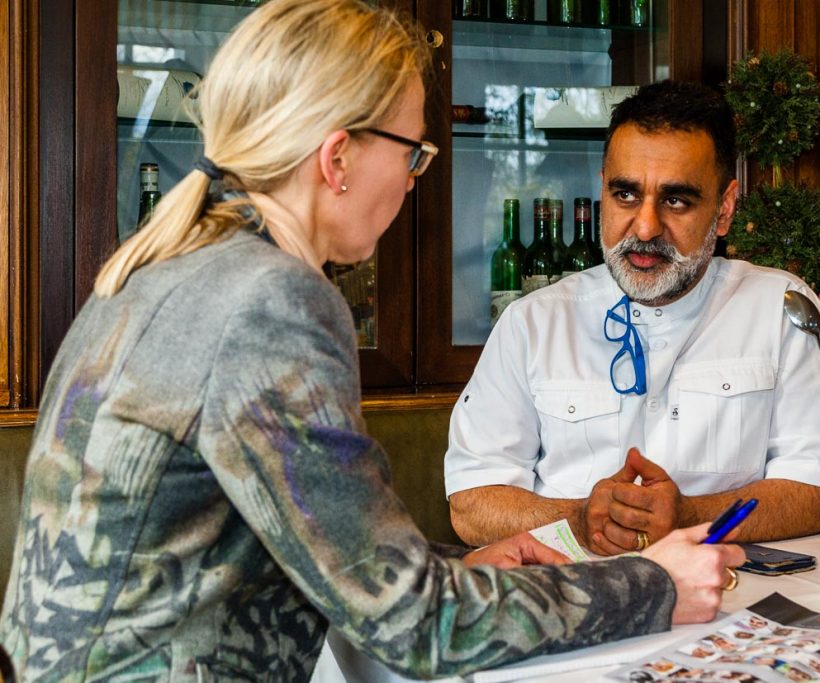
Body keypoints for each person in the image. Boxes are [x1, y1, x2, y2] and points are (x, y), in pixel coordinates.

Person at [0, 2, 746, 680]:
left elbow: (311, 551)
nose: (417, 178)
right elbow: (416, 625)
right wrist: (654, 584)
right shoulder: (271, 302)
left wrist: (449, 567)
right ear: (338, 158)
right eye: (414, 152)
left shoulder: (184, 261)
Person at [445, 80, 820, 555]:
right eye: (625, 195)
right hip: (573, 595)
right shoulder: (533, 322)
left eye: (676, 200)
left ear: (724, 210)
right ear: (603, 187)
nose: (645, 227)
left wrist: (690, 517)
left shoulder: (780, 308)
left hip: (728, 593)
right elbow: (473, 501)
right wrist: (583, 519)